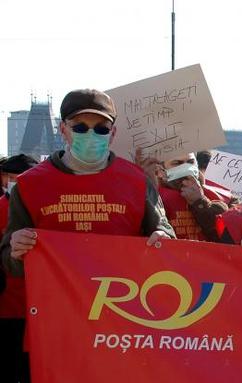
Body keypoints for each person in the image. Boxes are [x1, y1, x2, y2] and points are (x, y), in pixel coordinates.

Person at [1, 88, 175, 278]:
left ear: (113, 133)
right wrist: (16, 251)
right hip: (56, 302)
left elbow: (164, 235)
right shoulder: (29, 185)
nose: (91, 136)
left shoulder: (138, 181)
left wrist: (163, 238)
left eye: (101, 128)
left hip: (121, 299)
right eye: (80, 128)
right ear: (63, 130)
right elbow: (9, 261)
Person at [0, 154, 38, 383]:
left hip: (37, 307)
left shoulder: (39, 210)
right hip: (12, 308)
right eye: (11, 177)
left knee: (31, 374)